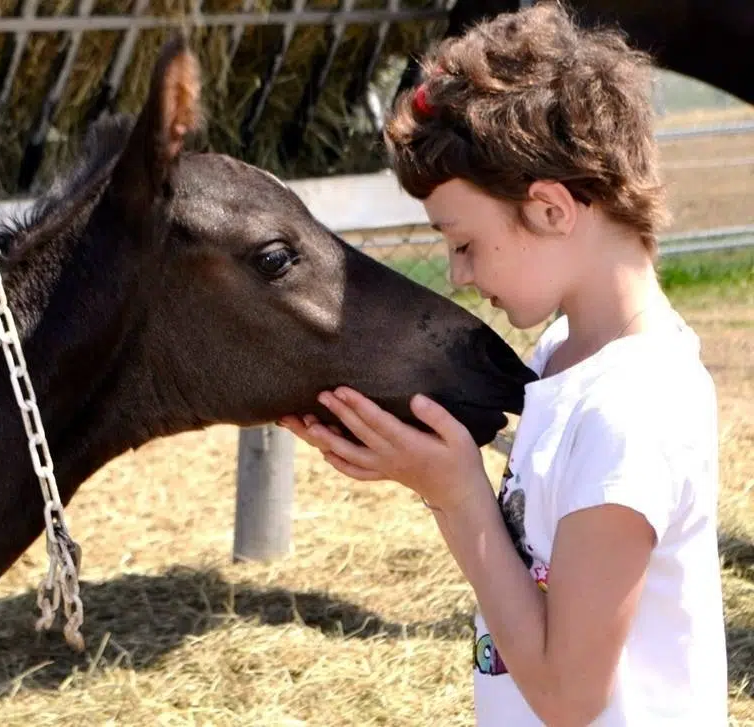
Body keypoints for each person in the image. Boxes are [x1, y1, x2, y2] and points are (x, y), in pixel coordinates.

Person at [277, 2, 729, 725]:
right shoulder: (563, 356)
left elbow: (567, 694)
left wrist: (457, 496)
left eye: (462, 242)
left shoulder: (632, 412)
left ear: (551, 208)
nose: (457, 275)